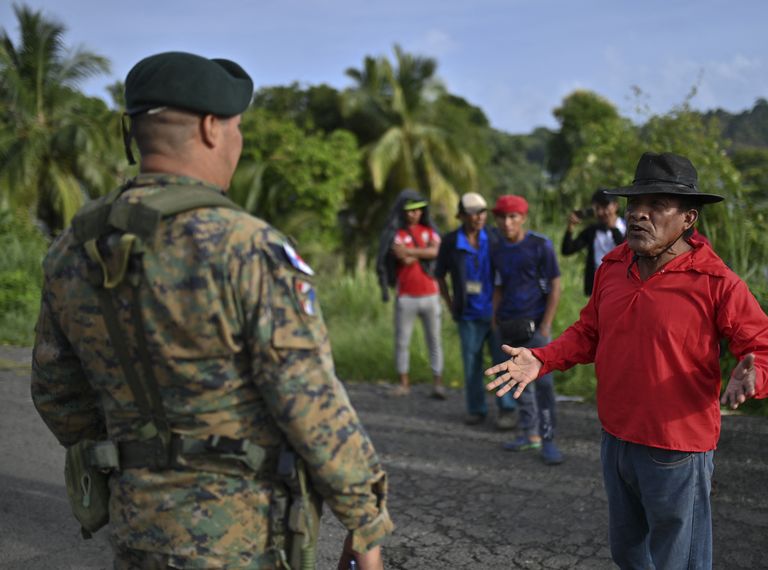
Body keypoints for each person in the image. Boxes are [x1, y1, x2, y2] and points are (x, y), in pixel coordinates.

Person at [30, 51, 391, 570]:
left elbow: (55, 389)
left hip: (138, 527)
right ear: (210, 128)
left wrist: (134, 458)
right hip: (241, 538)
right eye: (237, 126)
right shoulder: (246, 247)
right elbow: (308, 400)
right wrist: (366, 522)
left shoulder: (74, 249)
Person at [486, 152, 768, 569]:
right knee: (628, 553)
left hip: (677, 447)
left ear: (688, 219)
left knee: (678, 560)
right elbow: (588, 332)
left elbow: (765, 350)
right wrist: (542, 358)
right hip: (617, 439)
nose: (639, 216)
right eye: (634, 206)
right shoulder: (613, 266)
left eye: (656, 206)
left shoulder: (717, 282)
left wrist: (755, 371)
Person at [490, 195, 565, 465]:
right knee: (516, 381)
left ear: (523, 218)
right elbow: (498, 285)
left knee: (543, 385)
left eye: (513, 217)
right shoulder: (497, 248)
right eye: (502, 217)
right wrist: (494, 317)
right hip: (508, 325)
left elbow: (555, 285)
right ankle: (529, 434)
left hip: (535, 326)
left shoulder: (540, 245)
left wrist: (546, 324)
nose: (507, 222)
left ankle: (548, 439)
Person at [435, 192, 517, 429]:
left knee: (501, 362)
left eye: (482, 212)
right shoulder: (450, 242)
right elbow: (439, 275)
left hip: (496, 313)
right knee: (472, 365)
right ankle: (476, 409)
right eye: (472, 213)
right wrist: (451, 304)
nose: (478, 217)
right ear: (461, 216)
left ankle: (507, 409)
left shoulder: (493, 236)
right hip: (468, 314)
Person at [377, 189, 445, 398]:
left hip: (430, 294)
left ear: (422, 212)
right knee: (402, 341)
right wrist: (422, 252)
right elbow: (401, 257)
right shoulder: (396, 234)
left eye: (417, 211)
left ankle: (438, 383)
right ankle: (403, 383)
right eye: (409, 211)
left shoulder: (429, 230)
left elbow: (435, 252)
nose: (413, 215)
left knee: (434, 340)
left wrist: (410, 251)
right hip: (406, 295)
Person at [561, 188, 626, 296]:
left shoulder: (628, 228)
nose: (601, 212)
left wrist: (613, 229)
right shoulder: (592, 231)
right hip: (597, 288)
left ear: (615, 206)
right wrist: (571, 227)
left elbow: (627, 251)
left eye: (605, 207)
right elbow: (567, 250)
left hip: (621, 285)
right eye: (597, 208)